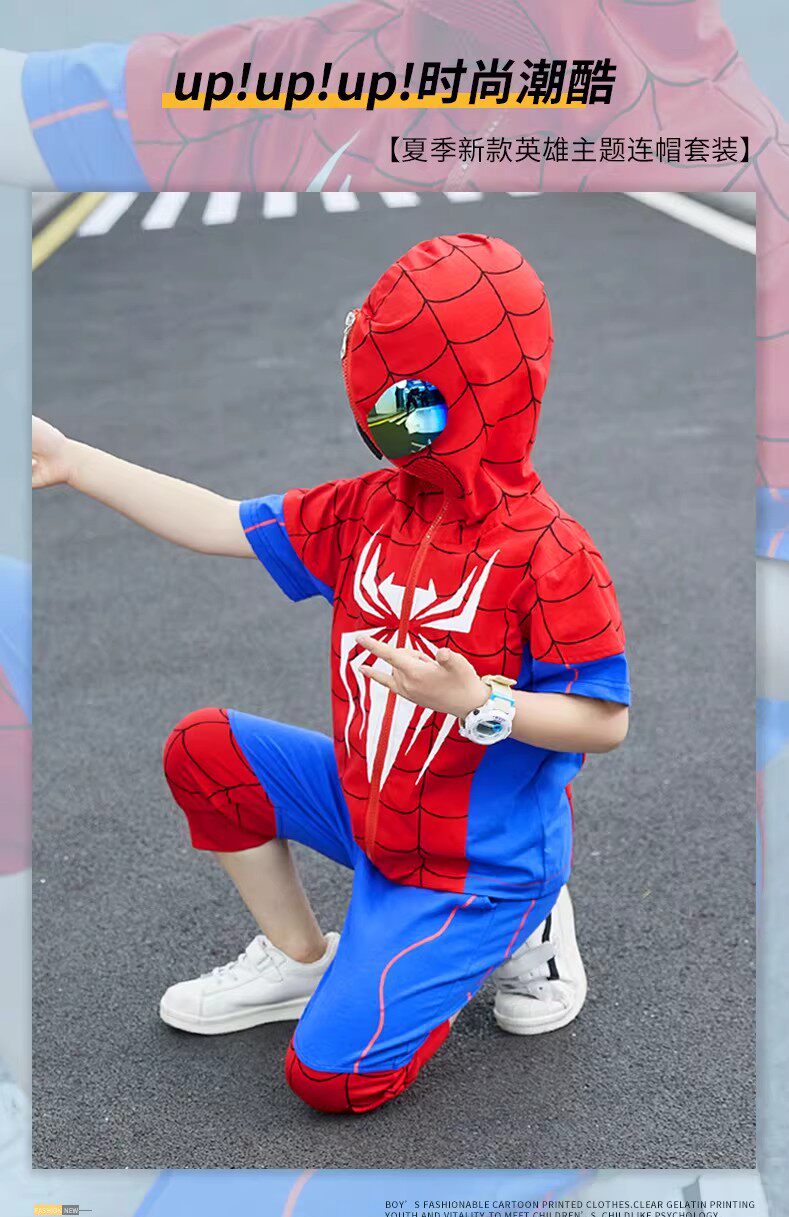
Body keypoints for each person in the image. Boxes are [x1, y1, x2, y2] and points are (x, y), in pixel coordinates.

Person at [32, 233, 630, 1114]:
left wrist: (480, 702)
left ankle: (527, 918)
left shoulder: (551, 552)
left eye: (410, 401)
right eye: (380, 396)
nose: (386, 420)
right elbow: (221, 522)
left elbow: (605, 720)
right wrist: (75, 461)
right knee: (207, 752)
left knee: (335, 1079)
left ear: (486, 395)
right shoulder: (366, 509)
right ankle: (300, 957)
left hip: (476, 862)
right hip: (369, 807)